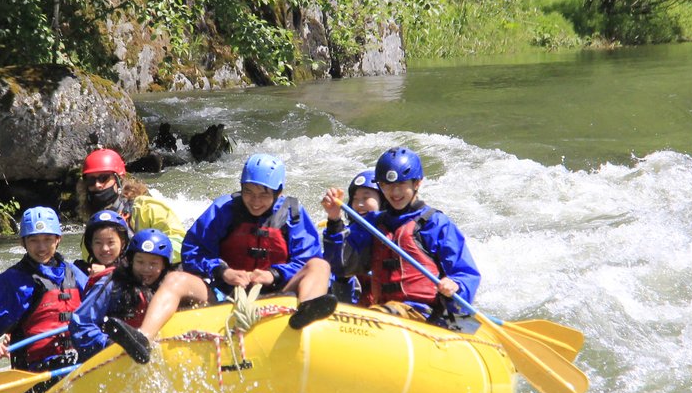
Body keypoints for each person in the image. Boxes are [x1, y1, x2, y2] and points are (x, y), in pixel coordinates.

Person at [106, 154, 336, 363]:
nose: (255, 201)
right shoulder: (224, 209)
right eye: (249, 192)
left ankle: (305, 315)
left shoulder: (292, 213)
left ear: (278, 193)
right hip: (226, 295)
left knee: (320, 265)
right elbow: (192, 250)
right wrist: (221, 270)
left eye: (263, 194)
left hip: (281, 292)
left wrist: (273, 274)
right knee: (176, 279)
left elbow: (307, 257)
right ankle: (143, 338)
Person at [320, 146, 480, 324]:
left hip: (425, 314)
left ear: (417, 183)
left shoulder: (434, 223)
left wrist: (456, 284)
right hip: (385, 311)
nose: (394, 193)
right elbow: (340, 266)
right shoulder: (373, 224)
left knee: (381, 315)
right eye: (387, 186)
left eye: (401, 185)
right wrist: (334, 220)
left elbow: (466, 273)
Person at [0, 206, 87, 373]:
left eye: (47, 239)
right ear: (23, 242)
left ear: (58, 239)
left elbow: (104, 309)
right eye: (34, 240)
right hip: (38, 375)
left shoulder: (75, 275)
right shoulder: (11, 282)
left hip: (79, 366)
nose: (41, 247)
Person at [69, 228, 174, 361]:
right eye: (140, 262)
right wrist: (109, 345)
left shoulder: (171, 290)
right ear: (131, 262)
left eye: (153, 263)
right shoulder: (111, 284)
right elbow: (81, 323)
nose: (146, 269)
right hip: (113, 355)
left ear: (164, 265)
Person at [77, 148, 187, 262]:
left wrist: (143, 254)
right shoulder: (92, 230)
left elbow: (182, 245)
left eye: (103, 178)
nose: (98, 185)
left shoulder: (148, 208)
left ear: (118, 180)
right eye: (91, 180)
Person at [325, 168, 380, 304]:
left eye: (366, 198)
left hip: (386, 304)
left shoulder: (394, 230)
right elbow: (337, 265)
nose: (359, 204)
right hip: (354, 301)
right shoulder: (349, 233)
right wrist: (334, 221)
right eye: (355, 199)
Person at [75, 209, 131, 281]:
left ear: (122, 244)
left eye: (111, 242)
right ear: (91, 245)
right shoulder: (79, 271)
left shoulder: (133, 272)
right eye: (98, 242)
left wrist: (107, 272)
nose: (104, 248)